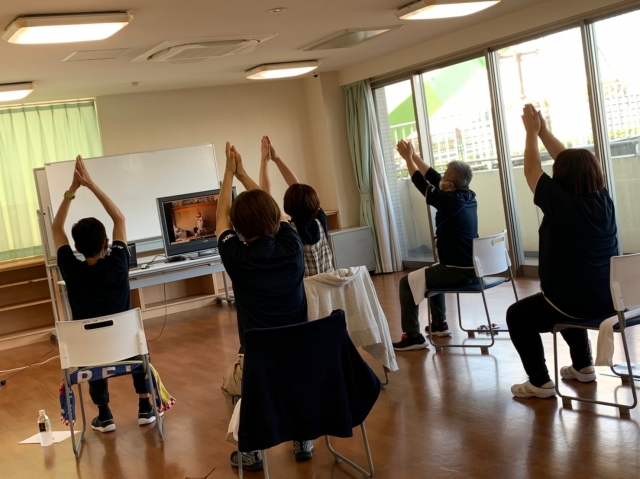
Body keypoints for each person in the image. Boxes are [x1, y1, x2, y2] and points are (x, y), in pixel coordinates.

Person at [507, 104, 618, 398]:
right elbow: (573, 163)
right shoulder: (603, 200)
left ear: (563, 177)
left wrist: (531, 133)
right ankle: (583, 366)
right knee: (564, 296)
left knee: (518, 315)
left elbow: (532, 170)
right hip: (610, 301)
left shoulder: (562, 204)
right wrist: (543, 131)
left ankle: (539, 382)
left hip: (574, 302)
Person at [217, 142, 313, 472]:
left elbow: (220, 221)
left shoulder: (237, 259)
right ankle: (303, 440)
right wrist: (244, 174)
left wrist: (229, 174)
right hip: (304, 360)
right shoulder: (292, 246)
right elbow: (272, 210)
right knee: (293, 382)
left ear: (238, 229)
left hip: (259, 367)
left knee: (230, 384)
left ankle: (251, 451)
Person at [52, 156, 157, 433]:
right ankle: (145, 407)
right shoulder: (119, 263)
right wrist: (90, 184)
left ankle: (104, 414)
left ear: (76, 247)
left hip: (92, 352)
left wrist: (72, 190)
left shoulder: (71, 269)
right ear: (106, 243)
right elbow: (119, 218)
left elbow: (56, 228)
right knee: (137, 341)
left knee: (92, 346)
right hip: (126, 348)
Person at [392, 140, 478, 351]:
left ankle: (413, 336)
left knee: (406, 282)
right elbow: (433, 176)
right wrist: (414, 155)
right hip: (473, 268)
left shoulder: (448, 201)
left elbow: (421, 183)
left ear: (450, 186)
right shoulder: (468, 196)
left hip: (456, 271)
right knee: (433, 271)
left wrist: (408, 159)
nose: (441, 179)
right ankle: (439, 324)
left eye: (445, 178)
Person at [259, 136, 334, 277]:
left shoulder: (288, 230)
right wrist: (277, 158)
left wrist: (264, 160)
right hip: (330, 285)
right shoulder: (321, 220)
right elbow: (299, 189)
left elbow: (265, 196)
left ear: (288, 206)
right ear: (314, 204)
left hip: (306, 289)